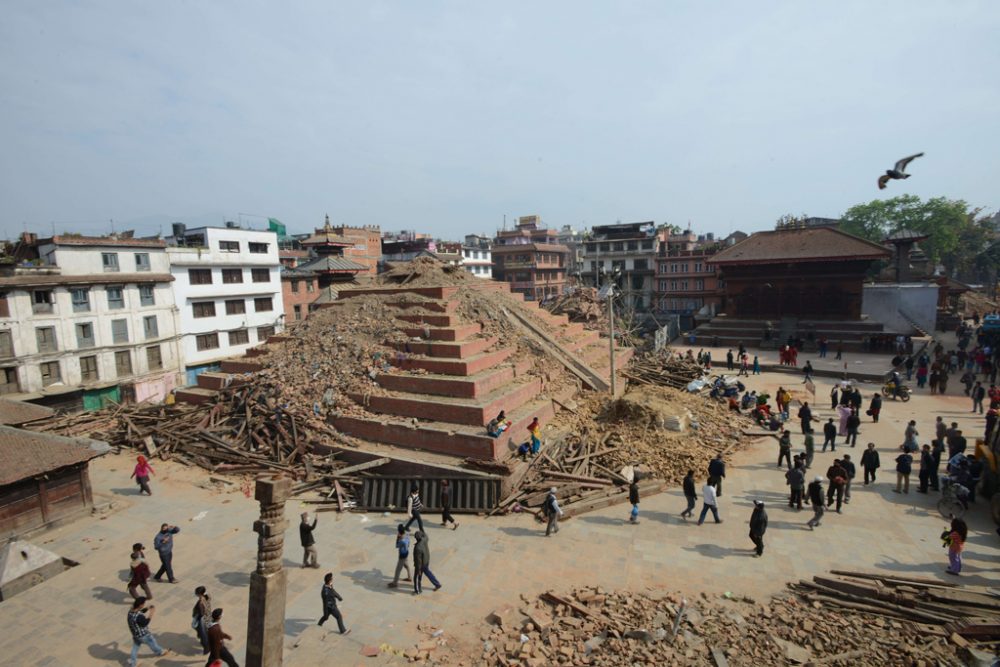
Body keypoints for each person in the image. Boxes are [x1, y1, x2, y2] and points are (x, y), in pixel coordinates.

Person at [127, 597, 169, 666]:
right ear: (140, 605)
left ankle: (132, 663)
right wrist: (151, 613)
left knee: (135, 648)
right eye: (143, 604)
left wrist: (146, 608)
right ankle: (160, 652)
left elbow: (139, 611)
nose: (144, 605)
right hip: (144, 635)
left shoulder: (131, 612)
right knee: (152, 643)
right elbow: (145, 623)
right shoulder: (139, 617)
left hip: (135, 635)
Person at [388, 524, 412, 588]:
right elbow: (409, 543)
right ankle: (409, 577)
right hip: (406, 552)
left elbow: (397, 546)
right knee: (406, 565)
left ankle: (395, 583)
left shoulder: (401, 540)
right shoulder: (407, 534)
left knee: (398, 570)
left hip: (402, 555)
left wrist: (398, 538)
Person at [193, 586, 212, 654]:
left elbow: (201, 613)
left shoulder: (201, 603)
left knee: (203, 634)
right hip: (209, 616)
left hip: (203, 619)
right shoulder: (208, 595)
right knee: (206, 631)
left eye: (196, 593)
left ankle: (207, 647)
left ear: (200, 594)